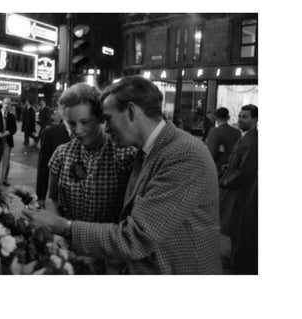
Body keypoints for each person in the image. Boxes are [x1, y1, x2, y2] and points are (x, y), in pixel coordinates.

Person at [23, 76, 222, 275]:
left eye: (108, 119)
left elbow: (136, 237)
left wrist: (64, 226)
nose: (106, 128)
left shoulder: (182, 154)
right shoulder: (148, 151)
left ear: (132, 111)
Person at [44, 83, 136, 224]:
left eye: (85, 122)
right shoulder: (61, 154)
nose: (78, 130)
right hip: (66, 242)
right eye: (72, 123)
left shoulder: (126, 155)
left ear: (100, 118)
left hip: (108, 241)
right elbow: (51, 198)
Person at [218, 104, 258, 268]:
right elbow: (238, 164)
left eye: (245, 117)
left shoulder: (253, 140)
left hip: (242, 191)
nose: (240, 119)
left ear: (255, 120)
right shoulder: (245, 136)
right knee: (235, 226)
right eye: (240, 116)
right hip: (237, 188)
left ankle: (238, 261)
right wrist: (228, 168)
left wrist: (224, 181)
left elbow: (245, 171)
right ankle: (235, 259)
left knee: (239, 226)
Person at [35, 106, 72, 205]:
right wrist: (41, 196)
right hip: (57, 196)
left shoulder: (86, 133)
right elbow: (43, 166)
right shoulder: (49, 133)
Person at [0, 97, 17, 186]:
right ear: (2, 104)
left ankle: (4, 179)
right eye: (5, 103)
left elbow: (14, 128)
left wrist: (9, 132)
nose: (6, 105)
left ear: (10, 106)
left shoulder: (12, 116)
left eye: (8, 104)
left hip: (7, 142)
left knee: (6, 161)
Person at [206, 107, 241, 175]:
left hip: (219, 169)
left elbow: (212, 152)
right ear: (228, 117)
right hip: (233, 168)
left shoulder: (214, 132)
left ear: (215, 117)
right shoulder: (237, 132)